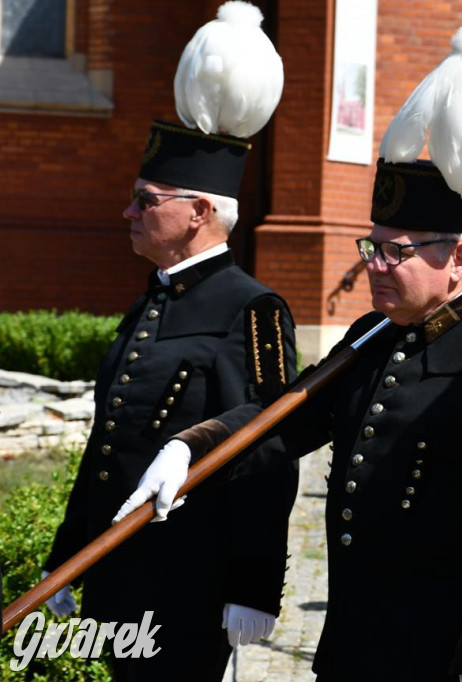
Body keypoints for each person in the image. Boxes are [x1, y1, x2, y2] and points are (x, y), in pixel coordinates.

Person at [116, 25, 462, 682]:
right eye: (371, 247)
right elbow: (286, 419)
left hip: (437, 661)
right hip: (353, 649)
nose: (376, 265)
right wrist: (191, 447)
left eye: (396, 252)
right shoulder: (371, 338)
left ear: (460, 258)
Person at [42, 5, 298, 680]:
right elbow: (108, 444)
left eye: (146, 199)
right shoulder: (150, 300)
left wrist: (254, 583)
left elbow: (268, 445)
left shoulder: (252, 308)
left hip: (188, 579)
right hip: (118, 568)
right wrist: (70, 555)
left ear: (199, 213)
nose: (129, 211)